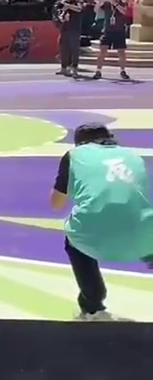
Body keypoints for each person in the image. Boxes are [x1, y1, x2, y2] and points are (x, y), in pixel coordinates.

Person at [51, 123, 153, 320]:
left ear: (79, 143)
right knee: (146, 234)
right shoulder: (133, 156)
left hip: (91, 233)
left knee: (75, 237)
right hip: (144, 233)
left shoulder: (75, 155)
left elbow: (56, 203)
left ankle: (93, 306)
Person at [93, 0, 130, 80]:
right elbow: (96, 10)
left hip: (119, 30)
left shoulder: (122, 2)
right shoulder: (107, 3)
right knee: (102, 50)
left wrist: (115, 4)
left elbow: (124, 11)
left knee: (121, 52)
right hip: (108, 30)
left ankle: (123, 71)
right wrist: (99, 2)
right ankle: (98, 71)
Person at [54, 0, 83, 78]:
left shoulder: (77, 2)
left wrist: (68, 6)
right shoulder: (62, 2)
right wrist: (62, 15)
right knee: (63, 48)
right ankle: (64, 67)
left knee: (74, 50)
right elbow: (59, 13)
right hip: (64, 28)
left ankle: (74, 68)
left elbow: (79, 9)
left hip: (74, 29)